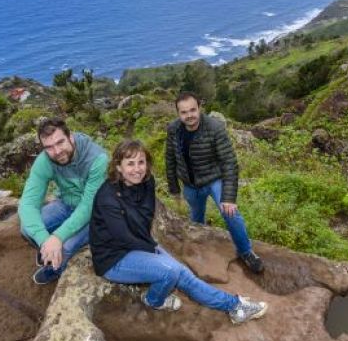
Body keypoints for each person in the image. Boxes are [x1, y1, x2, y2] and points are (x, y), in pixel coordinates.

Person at [90, 139, 268, 324]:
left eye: (141, 162)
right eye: (130, 163)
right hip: (114, 259)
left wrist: (153, 251)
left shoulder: (147, 182)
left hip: (138, 243)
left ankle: (234, 306)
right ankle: (153, 300)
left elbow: (143, 220)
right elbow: (124, 236)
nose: (137, 169)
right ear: (118, 167)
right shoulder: (107, 197)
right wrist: (154, 251)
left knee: (182, 273)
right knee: (171, 271)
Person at [165, 91, 264, 274]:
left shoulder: (215, 127)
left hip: (214, 179)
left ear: (200, 108)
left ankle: (246, 252)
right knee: (196, 218)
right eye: (184, 112)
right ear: (178, 114)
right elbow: (170, 159)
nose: (189, 116)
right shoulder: (173, 129)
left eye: (193, 110)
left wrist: (228, 197)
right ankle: (201, 247)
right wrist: (174, 189)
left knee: (230, 213)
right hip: (190, 184)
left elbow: (229, 162)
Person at [18, 117, 108, 285]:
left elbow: (88, 207)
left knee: (65, 245)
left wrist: (58, 237)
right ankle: (49, 252)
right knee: (27, 229)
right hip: (66, 203)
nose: (57, 151)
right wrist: (45, 240)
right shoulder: (45, 160)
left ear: (71, 137)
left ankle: (55, 269)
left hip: (96, 212)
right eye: (49, 147)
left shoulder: (97, 158)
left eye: (60, 142)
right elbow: (28, 204)